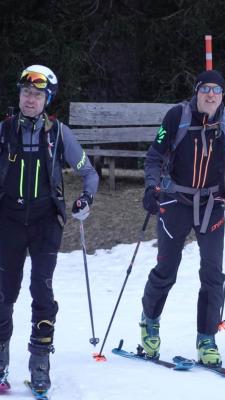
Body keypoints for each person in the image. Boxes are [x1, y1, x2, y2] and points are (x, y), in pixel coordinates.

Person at [0, 65, 99, 393]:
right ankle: (1, 361)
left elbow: (89, 173)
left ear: (47, 99)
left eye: (37, 95)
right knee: (4, 293)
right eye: (26, 93)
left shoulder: (59, 134)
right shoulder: (4, 131)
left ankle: (40, 362)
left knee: (42, 292)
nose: (30, 99)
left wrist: (85, 199)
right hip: (9, 221)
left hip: (45, 222)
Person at [140, 69, 225, 366]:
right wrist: (151, 187)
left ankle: (207, 338)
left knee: (213, 274)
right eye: (205, 89)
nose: (210, 94)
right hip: (176, 201)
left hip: (212, 203)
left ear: (223, 95)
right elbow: (154, 157)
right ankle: (149, 321)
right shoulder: (177, 117)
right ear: (197, 92)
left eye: (216, 90)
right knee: (166, 270)